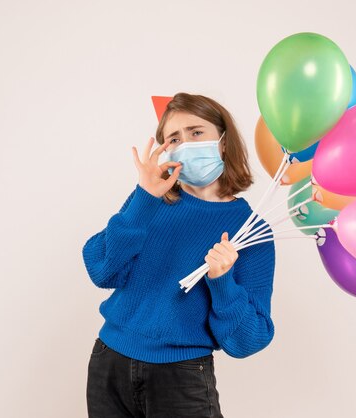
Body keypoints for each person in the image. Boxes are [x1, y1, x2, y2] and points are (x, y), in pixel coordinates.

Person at [82, 92, 276, 418]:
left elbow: (247, 341)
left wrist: (223, 281)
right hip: (109, 363)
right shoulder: (150, 200)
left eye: (196, 132)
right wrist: (143, 200)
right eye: (174, 138)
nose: (185, 143)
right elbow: (102, 270)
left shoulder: (251, 231)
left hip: (181, 376)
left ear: (224, 141)